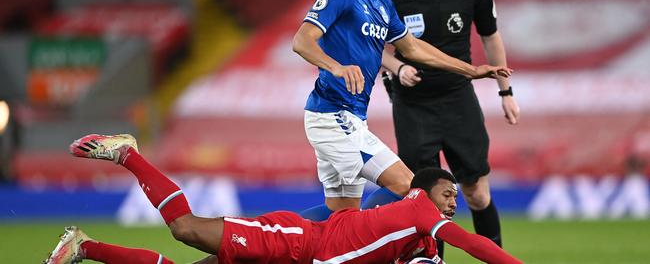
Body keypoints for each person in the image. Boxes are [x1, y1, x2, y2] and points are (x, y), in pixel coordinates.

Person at [292, 0, 511, 221]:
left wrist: (470, 70)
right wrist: (336, 66)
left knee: (339, 215)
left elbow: (413, 48)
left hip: (350, 117)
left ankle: (257, 242)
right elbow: (302, 40)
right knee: (411, 188)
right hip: (333, 116)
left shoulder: (382, 4)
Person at [44, 133, 523, 264]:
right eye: (447, 193)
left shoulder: (425, 245)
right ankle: (129, 155)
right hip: (296, 244)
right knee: (186, 228)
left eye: (455, 197)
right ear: (424, 192)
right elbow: (476, 245)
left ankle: (85, 247)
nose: (452, 201)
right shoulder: (421, 210)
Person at [380, 0, 521, 251]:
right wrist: (397, 68)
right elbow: (373, 48)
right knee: (424, 199)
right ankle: (432, 260)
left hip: (458, 99)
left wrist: (506, 91)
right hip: (412, 104)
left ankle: (494, 257)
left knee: (476, 191)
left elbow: (490, 38)